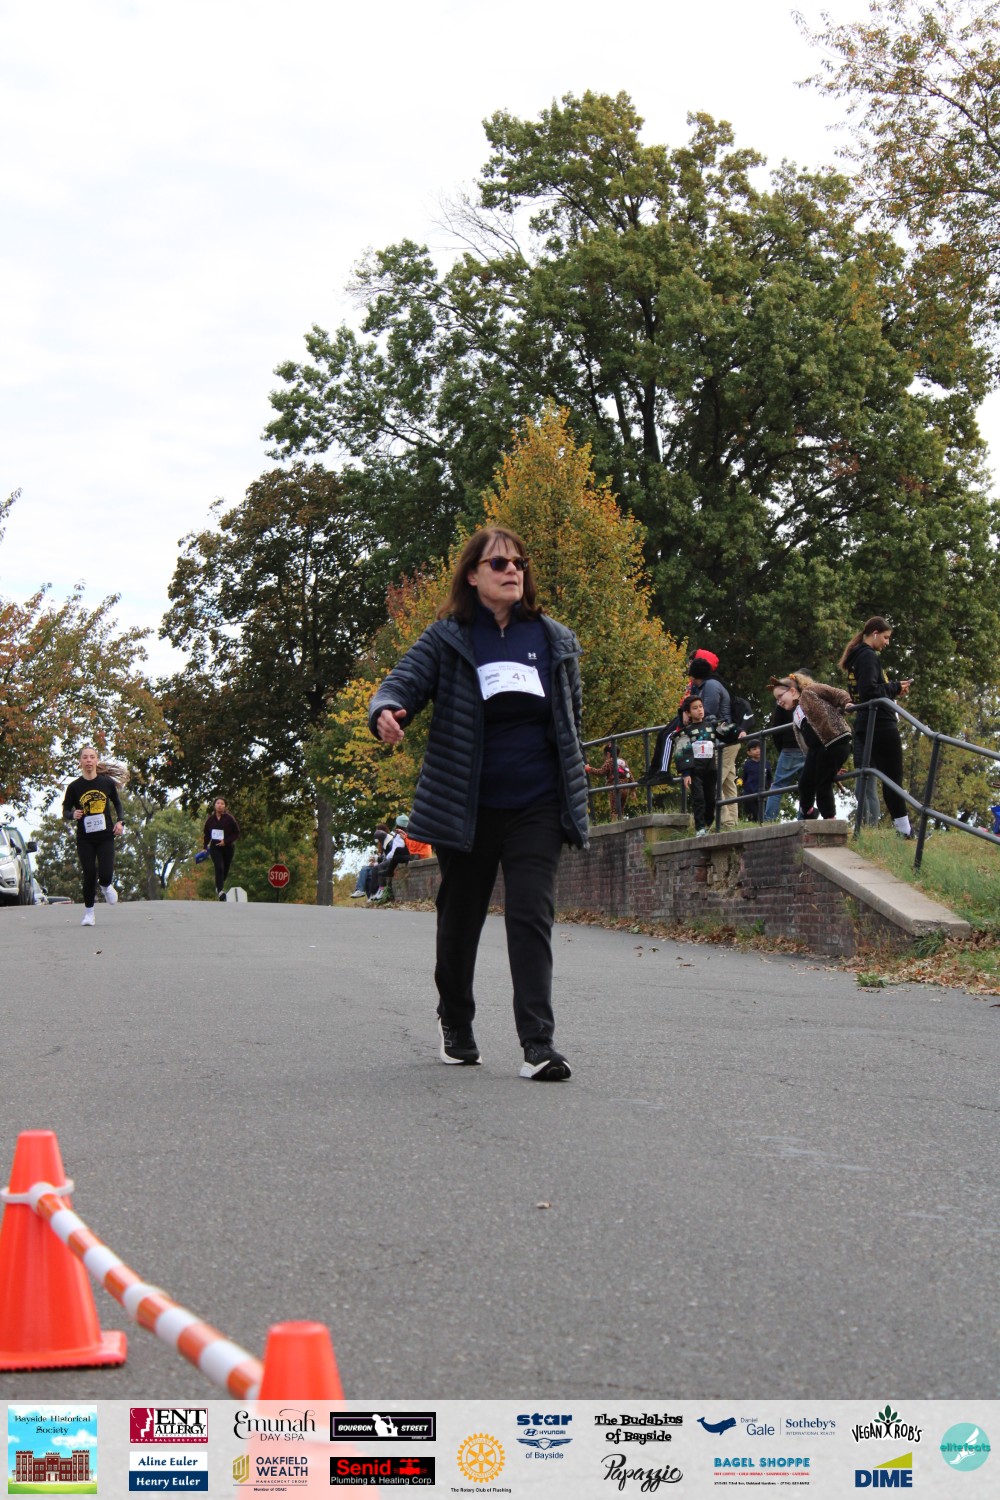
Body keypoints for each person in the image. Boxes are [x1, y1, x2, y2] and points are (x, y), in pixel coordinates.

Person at [368, 525, 588, 1081]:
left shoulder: (554, 639)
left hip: (537, 802)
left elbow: (571, 717)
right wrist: (386, 711)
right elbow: (402, 682)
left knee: (531, 915)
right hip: (466, 805)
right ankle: (457, 1022)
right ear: (472, 575)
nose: (512, 570)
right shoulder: (449, 637)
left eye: (519, 563)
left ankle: (538, 1044)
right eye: (498, 563)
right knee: (460, 920)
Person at [839, 617, 915, 836]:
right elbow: (869, 691)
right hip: (880, 723)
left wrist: (893, 689)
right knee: (893, 778)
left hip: (867, 723)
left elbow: (866, 690)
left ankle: (900, 829)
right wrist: (894, 687)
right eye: (886, 637)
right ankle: (905, 831)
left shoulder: (857, 656)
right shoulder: (868, 656)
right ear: (874, 633)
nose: (887, 643)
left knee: (881, 778)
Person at [769, 675, 852, 820]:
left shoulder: (810, 691)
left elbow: (836, 693)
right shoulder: (796, 713)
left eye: (780, 696)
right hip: (817, 749)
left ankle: (829, 818)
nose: (779, 702)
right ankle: (808, 812)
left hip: (835, 741)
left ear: (792, 691)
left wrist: (847, 703)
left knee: (822, 783)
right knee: (805, 783)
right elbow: (804, 740)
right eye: (776, 699)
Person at [62, 746, 126, 926]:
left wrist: (120, 822)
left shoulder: (106, 783)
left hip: (105, 836)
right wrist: (72, 814)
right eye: (85, 757)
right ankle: (89, 913)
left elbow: (118, 804)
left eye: (92, 757)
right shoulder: (74, 787)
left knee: (105, 874)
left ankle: (105, 885)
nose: (88, 760)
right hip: (85, 838)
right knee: (89, 873)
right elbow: (65, 810)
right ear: (80, 762)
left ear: (97, 760)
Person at [672, 696, 743, 836]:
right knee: (698, 799)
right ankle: (700, 828)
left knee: (711, 799)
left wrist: (739, 731)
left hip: (711, 770)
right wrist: (686, 773)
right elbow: (682, 753)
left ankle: (708, 823)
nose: (699, 710)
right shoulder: (685, 732)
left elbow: (727, 731)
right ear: (688, 713)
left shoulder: (711, 726)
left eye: (701, 706)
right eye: (695, 708)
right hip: (695, 771)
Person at [687, 653, 740, 827]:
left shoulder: (709, 686)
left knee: (713, 782)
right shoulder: (709, 685)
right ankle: (732, 823)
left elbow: (707, 714)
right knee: (728, 784)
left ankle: (725, 823)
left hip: (722, 740)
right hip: (727, 739)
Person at [763, 683, 808, 822]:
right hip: (808, 748)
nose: (779, 701)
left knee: (778, 786)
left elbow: (776, 729)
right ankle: (804, 818)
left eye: (779, 697)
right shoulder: (808, 700)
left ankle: (769, 819)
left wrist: (782, 748)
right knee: (807, 786)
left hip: (789, 749)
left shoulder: (781, 706)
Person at [202, 797, 241, 900]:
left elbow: (236, 833)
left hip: (228, 847)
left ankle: (219, 884)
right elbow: (207, 834)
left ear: (225, 806)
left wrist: (226, 841)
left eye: (222, 803)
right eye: (218, 803)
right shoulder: (210, 820)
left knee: (225, 869)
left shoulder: (229, 819)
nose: (220, 805)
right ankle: (220, 891)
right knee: (219, 867)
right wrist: (205, 847)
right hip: (215, 848)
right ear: (214, 805)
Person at [368, 814, 412, 904]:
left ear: (398, 824)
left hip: (395, 856)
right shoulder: (399, 834)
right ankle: (375, 892)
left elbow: (397, 848)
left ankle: (380, 890)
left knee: (378, 868)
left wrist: (385, 857)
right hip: (396, 855)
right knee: (372, 869)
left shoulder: (400, 835)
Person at [586, 742, 634, 819]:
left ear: (608, 754)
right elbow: (629, 775)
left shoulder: (609, 761)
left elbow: (601, 772)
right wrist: (633, 790)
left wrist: (589, 769)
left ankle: (615, 823)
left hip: (614, 788)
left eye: (604, 755)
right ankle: (621, 821)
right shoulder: (623, 761)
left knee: (614, 810)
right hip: (625, 788)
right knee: (621, 810)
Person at [350, 825, 391, 898]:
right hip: (378, 864)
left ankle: (372, 895)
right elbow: (381, 857)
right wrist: (375, 862)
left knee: (369, 874)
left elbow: (387, 857)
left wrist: (376, 860)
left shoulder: (388, 842)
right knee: (364, 869)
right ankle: (360, 890)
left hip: (383, 866)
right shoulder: (381, 844)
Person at [738, 741, 772, 821]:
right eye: (754, 749)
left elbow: (770, 778)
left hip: (762, 793)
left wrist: (770, 787)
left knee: (762, 814)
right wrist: (738, 785)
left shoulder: (766, 763)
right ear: (749, 753)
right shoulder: (747, 764)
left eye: (760, 748)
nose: (758, 751)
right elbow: (743, 778)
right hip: (749, 794)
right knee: (753, 814)